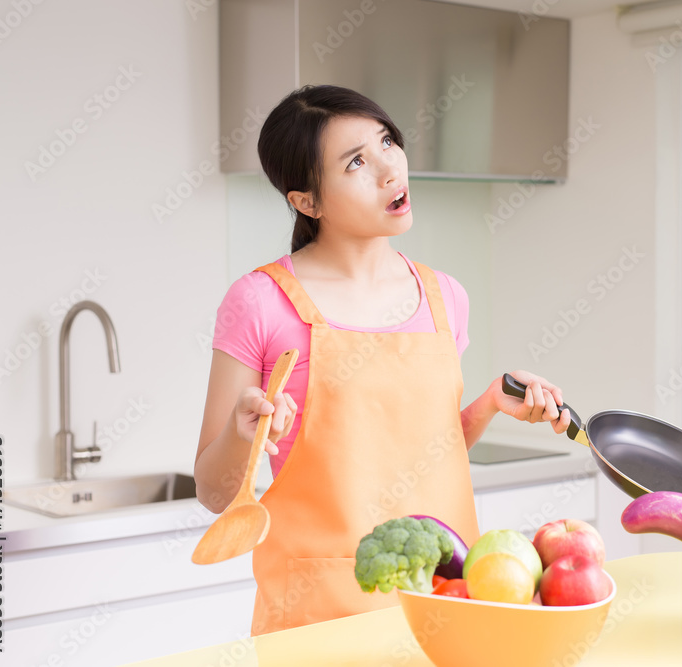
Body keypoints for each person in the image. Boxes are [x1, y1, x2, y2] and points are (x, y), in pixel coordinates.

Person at [193, 84, 571, 636]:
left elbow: (414, 458)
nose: (390, 170)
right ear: (307, 201)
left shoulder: (446, 297)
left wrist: (488, 406)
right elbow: (214, 493)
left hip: (449, 601)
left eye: (388, 142)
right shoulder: (260, 302)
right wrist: (241, 435)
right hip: (319, 616)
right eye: (356, 163)